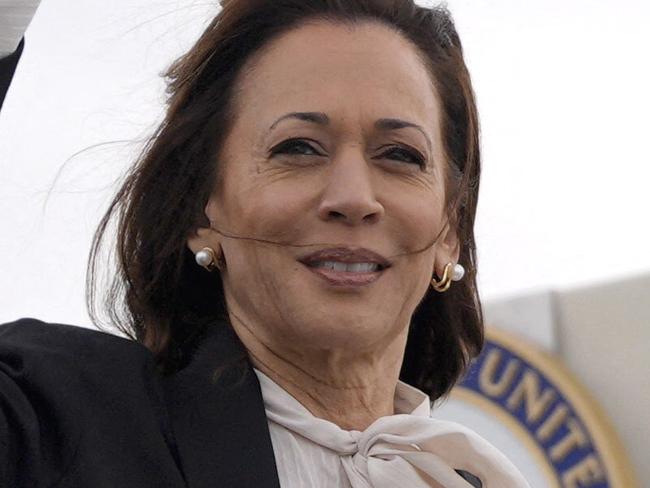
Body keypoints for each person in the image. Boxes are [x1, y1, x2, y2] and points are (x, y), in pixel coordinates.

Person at [0, 1, 531, 486]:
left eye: (400, 155)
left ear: (450, 230)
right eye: (298, 148)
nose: (353, 198)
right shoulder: (57, 421)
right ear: (199, 210)